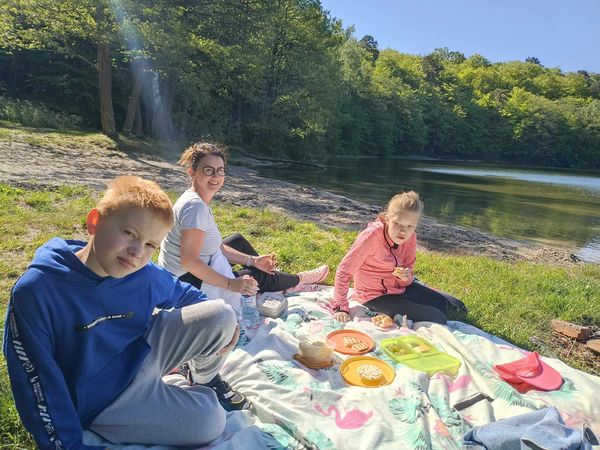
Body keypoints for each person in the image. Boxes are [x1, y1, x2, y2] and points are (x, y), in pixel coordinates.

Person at [3, 176, 247, 450]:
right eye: (129, 233)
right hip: (105, 400)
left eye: (150, 245)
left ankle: (201, 380)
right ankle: (170, 392)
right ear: (95, 222)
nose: (136, 252)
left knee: (222, 315)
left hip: (143, 352)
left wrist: (227, 329)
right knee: (211, 421)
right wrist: (68, 445)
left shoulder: (142, 272)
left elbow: (185, 294)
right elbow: (35, 381)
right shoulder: (38, 291)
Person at [158, 141, 329, 305]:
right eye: (208, 170)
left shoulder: (196, 199)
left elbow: (218, 247)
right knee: (253, 278)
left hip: (182, 273)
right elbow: (189, 261)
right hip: (185, 284)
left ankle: (271, 277)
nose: (216, 176)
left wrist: (253, 260)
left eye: (220, 170)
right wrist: (230, 284)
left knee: (238, 241)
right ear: (192, 172)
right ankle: (297, 279)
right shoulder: (195, 207)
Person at [331, 191, 466, 324]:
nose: (403, 231)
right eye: (397, 223)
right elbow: (344, 271)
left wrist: (405, 277)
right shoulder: (371, 236)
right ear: (387, 218)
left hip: (401, 289)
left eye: (410, 226)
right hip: (374, 297)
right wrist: (340, 307)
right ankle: (401, 306)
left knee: (457, 306)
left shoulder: (411, 237)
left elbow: (408, 271)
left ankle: (409, 302)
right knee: (438, 318)